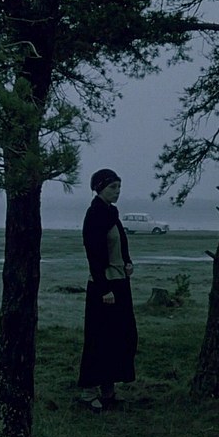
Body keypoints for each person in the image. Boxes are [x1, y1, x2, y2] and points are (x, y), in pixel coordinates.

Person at [78, 169, 137, 411]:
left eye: (119, 187)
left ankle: (108, 389)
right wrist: (104, 289)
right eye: (113, 187)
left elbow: (120, 243)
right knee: (99, 339)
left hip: (120, 281)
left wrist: (127, 261)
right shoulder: (95, 215)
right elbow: (94, 254)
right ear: (100, 188)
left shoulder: (112, 213)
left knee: (120, 336)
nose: (117, 192)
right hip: (104, 286)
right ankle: (88, 392)